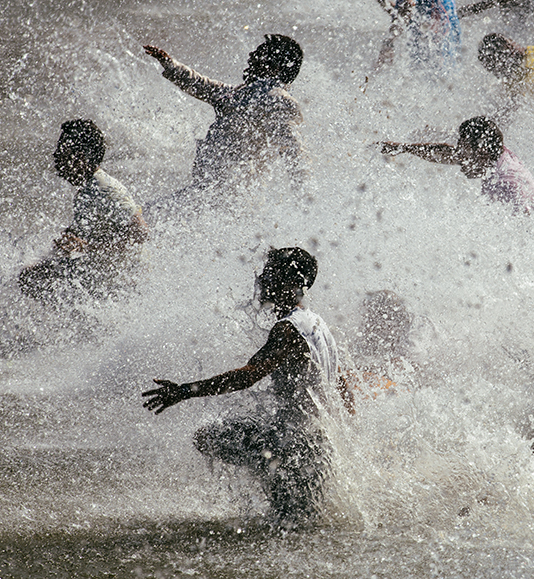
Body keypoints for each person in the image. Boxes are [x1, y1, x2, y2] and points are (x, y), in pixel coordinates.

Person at [143, 247, 354, 523]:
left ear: (291, 284)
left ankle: (266, 480)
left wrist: (183, 392)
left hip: (291, 448)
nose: (261, 282)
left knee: (209, 437)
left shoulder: (288, 328)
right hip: (315, 446)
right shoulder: (318, 325)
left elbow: (247, 376)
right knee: (297, 529)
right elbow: (344, 393)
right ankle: (269, 483)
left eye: (269, 275)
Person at [144, 34, 304, 186]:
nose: (251, 56)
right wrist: (170, 64)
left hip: (232, 197)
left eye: (258, 54)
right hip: (208, 190)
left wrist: (305, 201)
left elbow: (293, 149)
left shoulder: (277, 99)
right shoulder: (242, 94)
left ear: (273, 68)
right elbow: (201, 85)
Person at [19, 120, 148, 301]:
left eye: (62, 152)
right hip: (98, 270)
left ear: (79, 158)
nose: (56, 157)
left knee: (30, 277)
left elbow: (140, 233)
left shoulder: (104, 188)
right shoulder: (88, 190)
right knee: (30, 271)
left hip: (116, 278)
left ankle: (70, 324)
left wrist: (86, 246)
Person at [377, 116, 534, 215]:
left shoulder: (504, 183)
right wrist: (403, 148)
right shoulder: (498, 153)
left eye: (463, 152)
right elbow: (446, 153)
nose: (459, 160)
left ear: (481, 151)